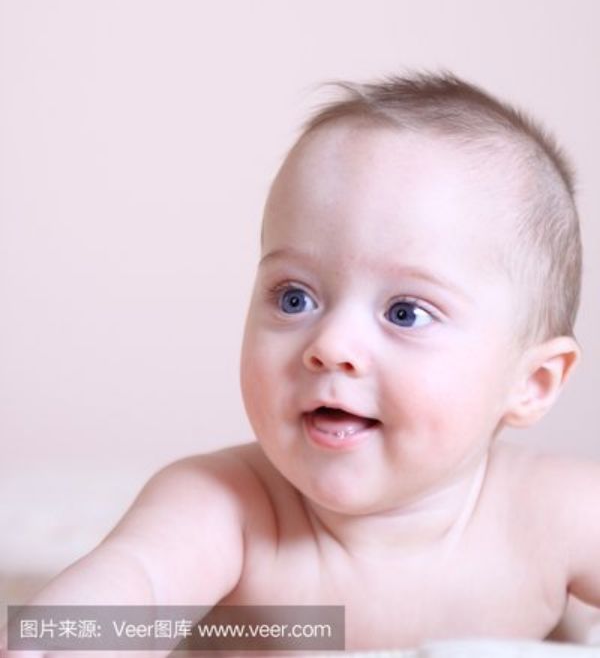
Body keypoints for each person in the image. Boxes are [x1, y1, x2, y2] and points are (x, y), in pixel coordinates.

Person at [3, 71, 600, 655]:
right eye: (296, 298)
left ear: (531, 382)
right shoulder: (226, 504)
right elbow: (137, 587)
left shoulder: (556, 515)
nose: (331, 343)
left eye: (406, 312)